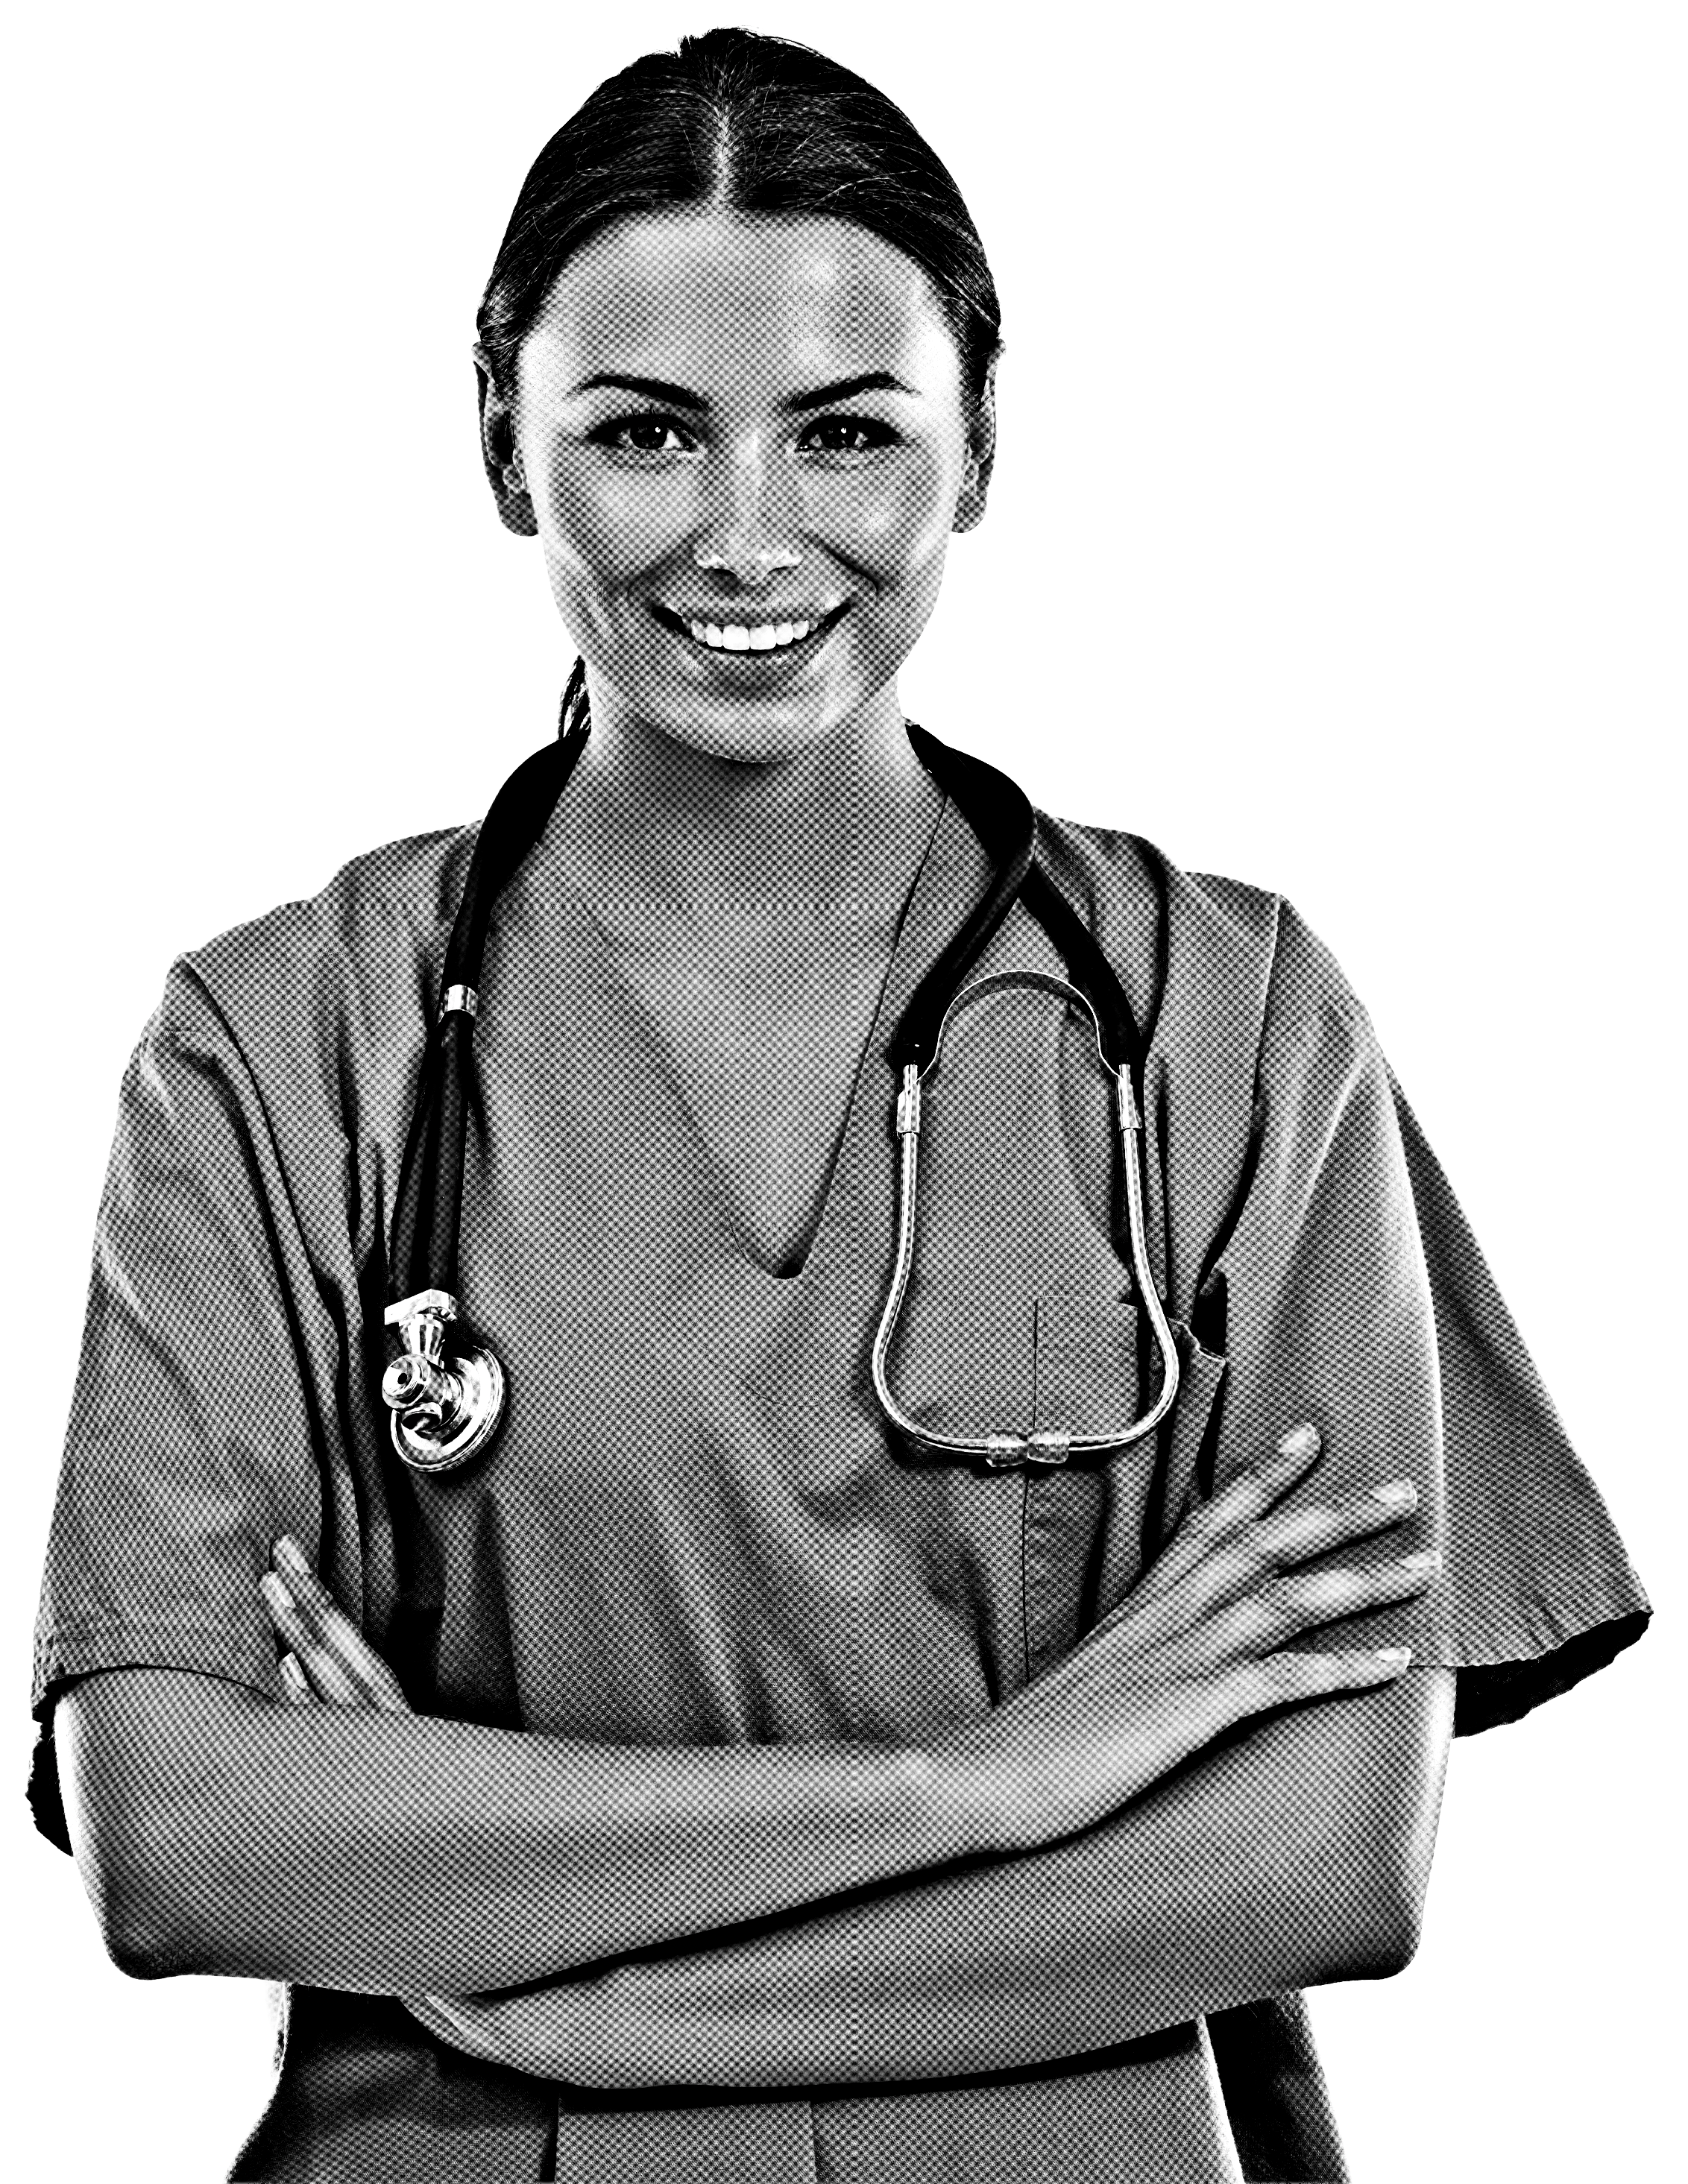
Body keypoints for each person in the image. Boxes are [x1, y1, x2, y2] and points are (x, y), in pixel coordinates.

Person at [27, 27, 1650, 2183]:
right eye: (646, 434)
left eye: (848, 433)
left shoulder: (1232, 1023)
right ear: (505, 447)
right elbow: (185, 1828)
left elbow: (1327, 1855)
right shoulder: (276, 1043)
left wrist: (548, 1989)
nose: (747, 533)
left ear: (977, 453)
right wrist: (990, 1782)